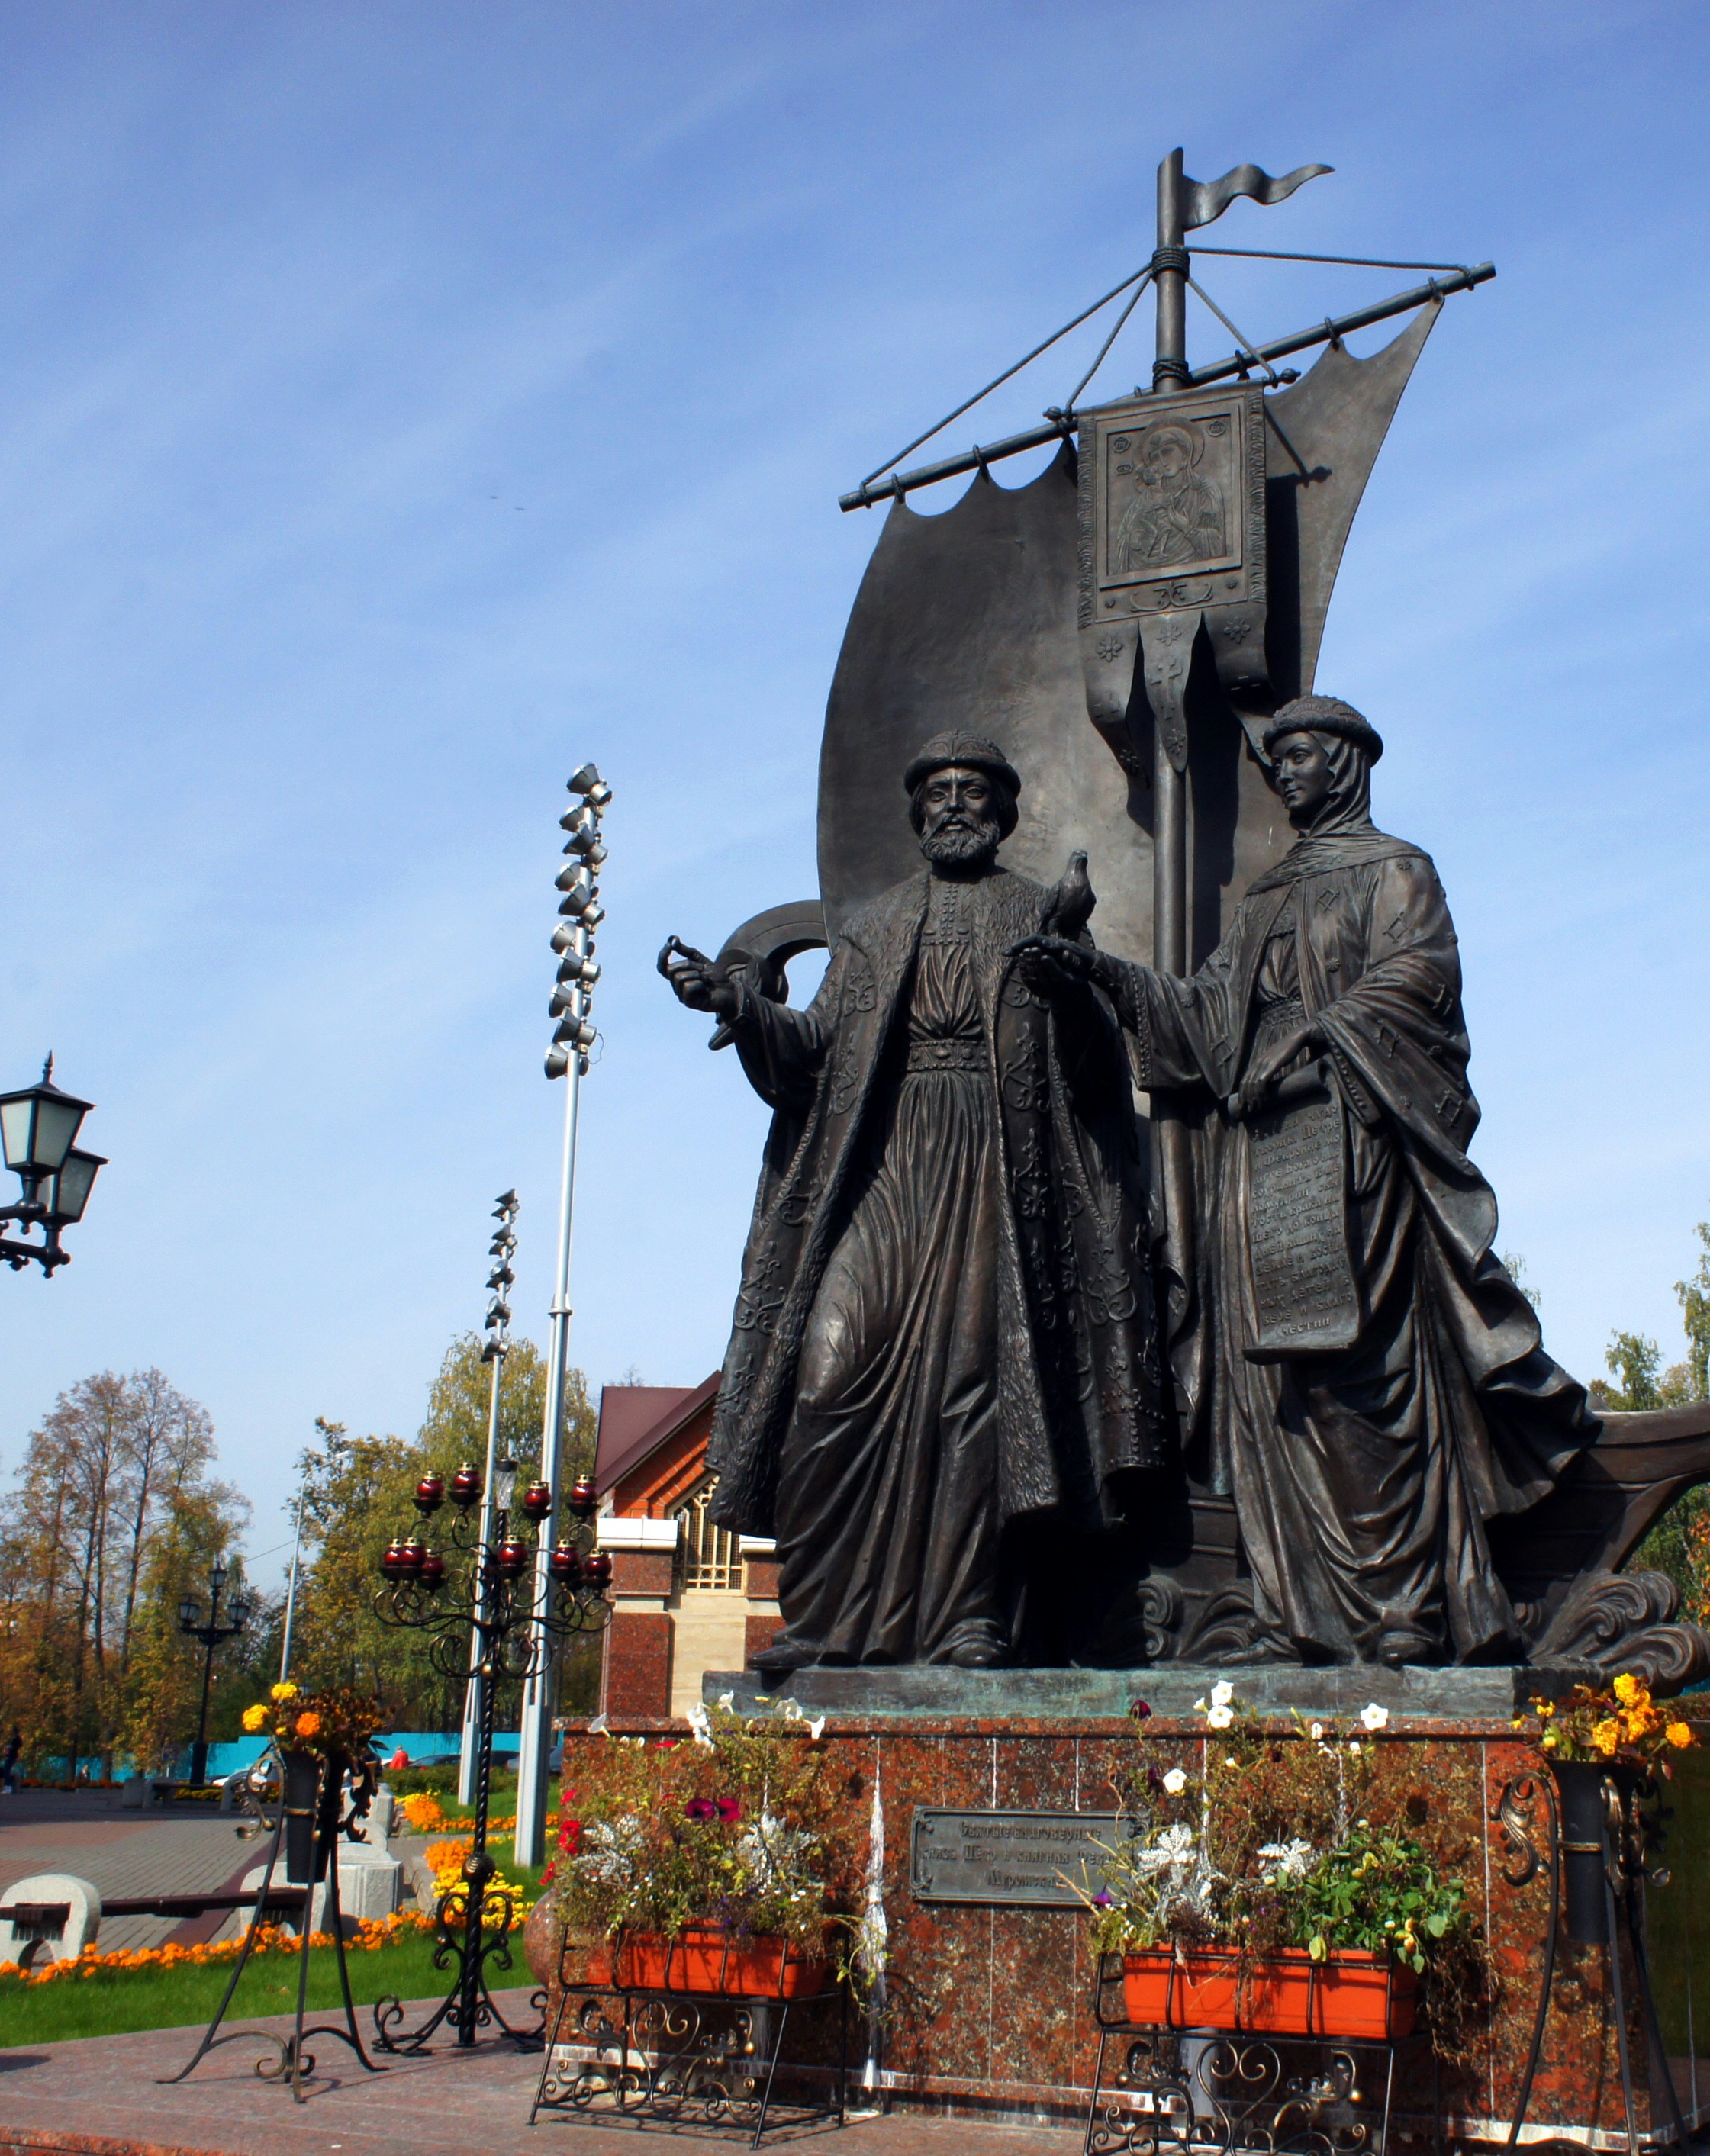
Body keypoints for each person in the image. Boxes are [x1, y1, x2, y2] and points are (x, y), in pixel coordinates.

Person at [1016, 695, 1593, 1665]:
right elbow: (1202, 1019)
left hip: (1351, 1148)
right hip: (1262, 1167)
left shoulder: (1396, 871)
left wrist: (1321, 1030)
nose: (1284, 770)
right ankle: (1300, 1611)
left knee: (1359, 1378)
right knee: (1278, 1385)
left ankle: (1406, 1605)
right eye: (1277, 755)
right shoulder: (1268, 895)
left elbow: (1420, 984)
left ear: (1350, 762)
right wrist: (1098, 972)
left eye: (1303, 754)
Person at [663, 736, 1171, 1672]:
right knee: (828, 1369)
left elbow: (1100, 1068)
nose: (952, 805)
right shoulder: (873, 924)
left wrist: (1065, 963)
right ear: (913, 814)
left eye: (972, 791)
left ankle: (969, 1614)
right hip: (890, 1168)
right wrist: (738, 1007)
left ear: (1003, 812)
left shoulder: (1033, 911)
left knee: (974, 1389)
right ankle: (820, 1615)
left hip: (996, 1174)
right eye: (935, 791)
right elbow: (811, 1050)